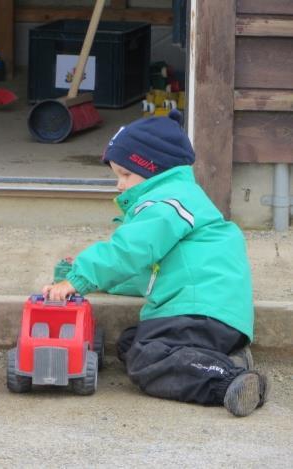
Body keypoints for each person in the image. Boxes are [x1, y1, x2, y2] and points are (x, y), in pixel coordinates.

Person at [42, 109, 268, 417]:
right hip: (208, 313)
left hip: (200, 310)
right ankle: (226, 358)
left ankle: (228, 380)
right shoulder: (178, 200)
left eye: (125, 174)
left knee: (146, 359)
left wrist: (80, 277)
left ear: (153, 169)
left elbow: (129, 251)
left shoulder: (166, 204)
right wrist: (76, 277)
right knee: (131, 342)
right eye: (116, 176)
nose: (119, 185)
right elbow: (144, 275)